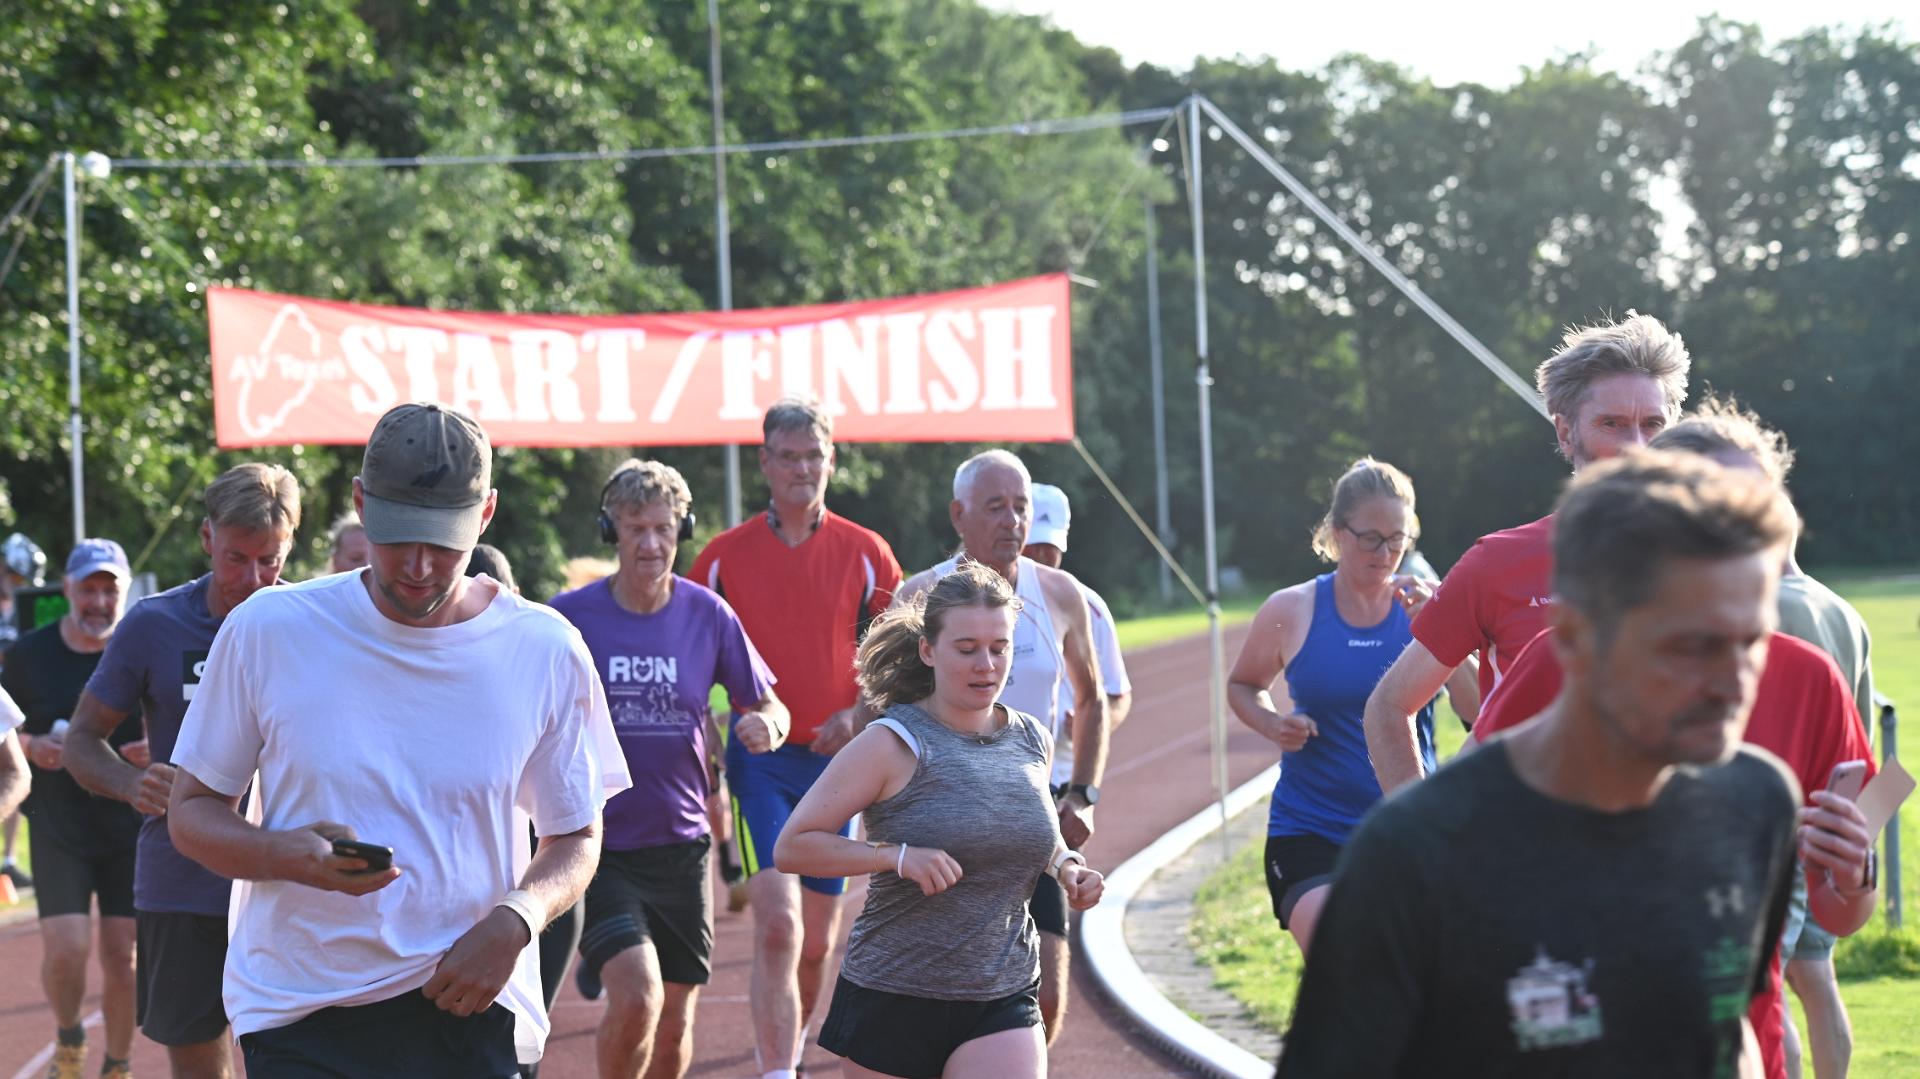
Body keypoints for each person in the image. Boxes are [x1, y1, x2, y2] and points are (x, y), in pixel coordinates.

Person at [1277, 451, 1874, 1077]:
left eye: (1751, 640)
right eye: (1693, 644)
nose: (1734, 682)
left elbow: (1725, 1029)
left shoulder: (1755, 800)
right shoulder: (1415, 852)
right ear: (1577, 633)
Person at [166, 402, 630, 1077]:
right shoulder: (268, 628)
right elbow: (191, 810)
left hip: (470, 1000)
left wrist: (517, 920)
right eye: (396, 537)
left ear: (487, 514)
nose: (417, 565)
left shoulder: (544, 648)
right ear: (360, 503)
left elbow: (577, 833)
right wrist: (283, 853)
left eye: (443, 543)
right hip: (300, 1012)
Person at [1469, 407, 1881, 1079]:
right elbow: (1467, 831)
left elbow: (1840, 910)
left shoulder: (1811, 682)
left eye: (1753, 515)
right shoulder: (1561, 655)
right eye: (1712, 514)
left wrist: (1854, 869)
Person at [774, 563, 1105, 1079]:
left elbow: (1032, 832)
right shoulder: (890, 743)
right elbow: (793, 846)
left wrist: (1067, 867)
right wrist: (896, 857)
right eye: (966, 648)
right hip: (894, 996)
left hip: (1002, 990)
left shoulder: (1031, 739)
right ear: (929, 650)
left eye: (999, 648)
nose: (986, 665)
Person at [1364, 314, 1691, 793]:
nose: (1636, 447)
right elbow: (1389, 707)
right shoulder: (1498, 564)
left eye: (1652, 425)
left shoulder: (1713, 565)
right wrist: (1418, 829)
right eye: (1612, 424)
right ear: (1565, 433)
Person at [686, 398, 903, 1079]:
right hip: (761, 765)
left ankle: (793, 1050)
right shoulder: (722, 558)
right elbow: (686, 652)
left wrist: (861, 713)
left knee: (816, 944)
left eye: (814, 456)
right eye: (788, 457)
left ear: (831, 460)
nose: (802, 469)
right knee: (779, 925)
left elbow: (901, 657)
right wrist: (714, 728)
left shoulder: (867, 553)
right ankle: (778, 1070)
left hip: (839, 770)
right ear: (765, 463)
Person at [61, 465, 301, 1079]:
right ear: (206, 538)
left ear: (290, 548)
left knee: (301, 1060)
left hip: (291, 879)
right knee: (198, 1066)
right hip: (183, 880)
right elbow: (82, 741)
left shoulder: (313, 625)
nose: (252, 579)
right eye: (236, 559)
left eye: (269, 561)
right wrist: (129, 783)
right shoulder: (155, 624)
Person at [553, 460, 788, 1079]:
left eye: (662, 528)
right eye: (636, 529)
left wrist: (768, 726)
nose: (651, 544)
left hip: (682, 847)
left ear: (681, 530)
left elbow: (769, 703)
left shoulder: (708, 614)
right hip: (597, 846)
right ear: (612, 531)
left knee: (676, 1019)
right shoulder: (569, 619)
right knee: (638, 995)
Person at [897, 450, 1110, 1044]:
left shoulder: (1060, 594)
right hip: (939, 818)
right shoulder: (919, 596)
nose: (1012, 522)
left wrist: (1083, 793)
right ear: (958, 515)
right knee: (935, 999)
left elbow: (1092, 699)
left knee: (1047, 992)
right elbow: (878, 710)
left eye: (1021, 507)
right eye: (995, 507)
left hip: (1030, 816)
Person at [1226, 459, 1472, 956]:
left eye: (1397, 540)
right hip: (1310, 832)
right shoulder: (1290, 609)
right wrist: (1274, 724)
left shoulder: (1428, 609)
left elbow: (1481, 710)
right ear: (1338, 534)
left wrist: (1444, 629)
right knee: (1346, 953)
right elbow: (1243, 685)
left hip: (1407, 831)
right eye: (1371, 539)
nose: (1386, 554)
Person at [2, 539, 143, 1079]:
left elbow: (181, 723)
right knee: (67, 950)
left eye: (110, 590)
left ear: (125, 593)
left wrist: (158, 748)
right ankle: (69, 1038)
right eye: (88, 589)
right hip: (57, 823)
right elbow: (7, 733)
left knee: (123, 958)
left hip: (128, 823)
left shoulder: (140, 647)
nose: (99, 602)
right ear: (66, 590)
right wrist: (33, 746)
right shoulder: (28, 655)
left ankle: (118, 1065)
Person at [1021, 483, 1133, 734]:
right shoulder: (985, 602)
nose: (1039, 554)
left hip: (1066, 758)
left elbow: (1118, 693)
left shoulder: (1090, 607)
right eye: (1032, 544)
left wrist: (1095, 724)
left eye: (1048, 545)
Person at [2, 530, 48, 892]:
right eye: (15, 578)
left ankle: (8, 859)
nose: (17, 586)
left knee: (13, 774)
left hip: (9, 703)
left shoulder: (22, 608)